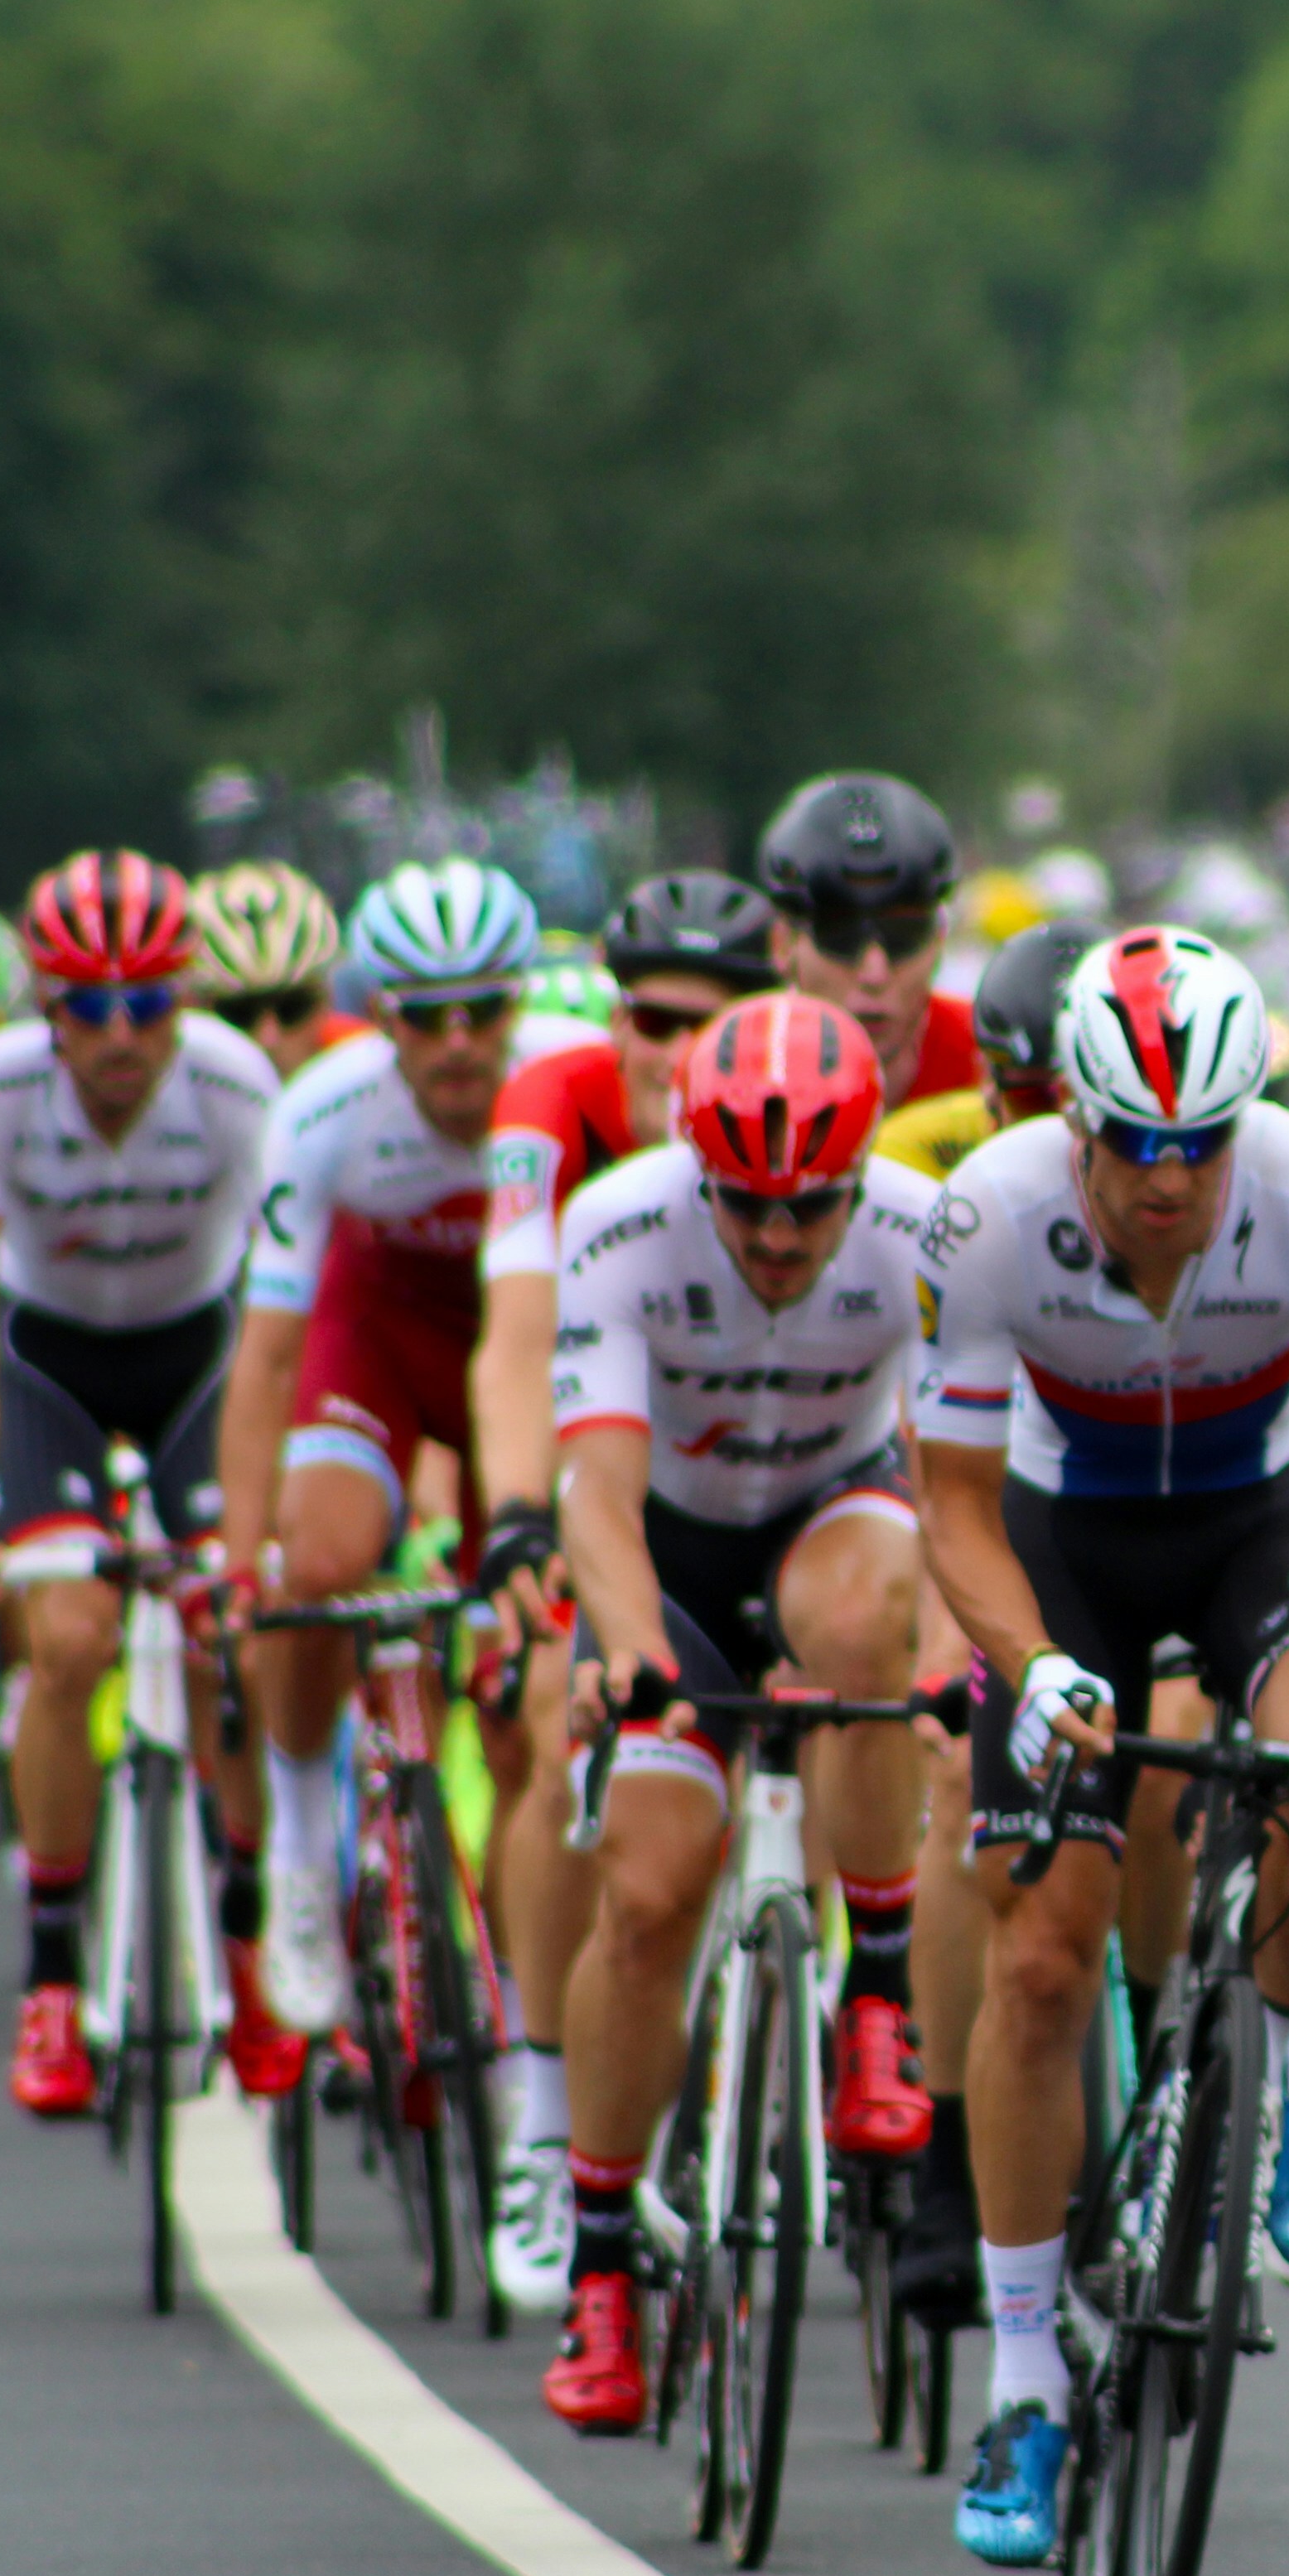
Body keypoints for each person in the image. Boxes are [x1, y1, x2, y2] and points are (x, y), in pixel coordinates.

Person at [910, 926, 1289, 2568]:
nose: (1166, 1176)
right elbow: (952, 1506)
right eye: (1131, 1139)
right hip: (1061, 1543)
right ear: (1071, 1117)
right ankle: (1024, 2378)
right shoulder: (984, 1217)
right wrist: (1032, 1665)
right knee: (1040, 1960)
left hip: (1265, 1514)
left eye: (1199, 1141)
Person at [536, 995, 940, 2430]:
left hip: (844, 1515)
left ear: (862, 1174)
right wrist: (633, 1654)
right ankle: (599, 2264)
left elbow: (957, 1485)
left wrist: (955, 1665)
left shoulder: (921, 1233)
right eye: (747, 1203)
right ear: (694, 1164)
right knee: (647, 1899)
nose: (777, 1236)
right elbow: (595, 1491)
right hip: (674, 1553)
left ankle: (878, 1991)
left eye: (812, 1205)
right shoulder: (621, 1226)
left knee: (867, 1621)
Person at [0, 854, 288, 2115]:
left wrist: (261, 1519)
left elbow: (279, 1312)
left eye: (148, 1004)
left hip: (201, 1362)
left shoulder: (237, 1084)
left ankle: (252, 1953)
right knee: (69, 1643)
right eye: (90, 1006)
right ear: (47, 1007)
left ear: (183, 1003)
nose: (121, 1035)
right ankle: (50, 1978)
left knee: (229, 1635)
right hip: (52, 1367)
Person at [465, 866, 783, 2315]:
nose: (672, 1048)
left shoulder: (819, 1099)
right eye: (650, 1018)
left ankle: (814, 2018)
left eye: (706, 1019)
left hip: (789, 1475)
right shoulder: (554, 1108)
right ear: (615, 1023)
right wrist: (517, 1524)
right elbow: (517, 1340)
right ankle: (546, 2119)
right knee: (552, 1706)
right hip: (605, 1456)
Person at [220, 858, 601, 2037]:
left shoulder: (571, 1077)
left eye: (483, 1009)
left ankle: (527, 2009)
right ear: (380, 1016)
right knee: (315, 1569)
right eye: (426, 1018)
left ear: (520, 1000)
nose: (458, 1043)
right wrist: (242, 1556)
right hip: (377, 1341)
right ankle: (299, 1849)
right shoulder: (322, 1112)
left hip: (523, 1367)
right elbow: (268, 1355)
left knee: (526, 1708)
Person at [870, 905, 1103, 2328]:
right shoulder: (929, 1162)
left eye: (1077, 1101)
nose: (1054, 1132)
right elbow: (922, 1448)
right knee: (961, 1765)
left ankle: (1165, 2072)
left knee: (1170, 1757)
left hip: (1123, 1479)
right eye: (1023, 1097)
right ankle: (951, 2162)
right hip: (969, 1470)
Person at [754, 772, 978, 1109]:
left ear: (938, 941)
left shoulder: (987, 1060)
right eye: (841, 937)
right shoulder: (734, 1064)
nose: (875, 974)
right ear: (782, 946)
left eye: (903, 936)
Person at [875, 914, 1102, 1184]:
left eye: (1092, 1103)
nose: (1067, 1126)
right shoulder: (904, 1152)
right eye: (1037, 1098)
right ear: (989, 1088)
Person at [184, 862, 362, 1082]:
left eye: (293, 1008)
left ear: (327, 1001)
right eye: (238, 1014)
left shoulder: (366, 1056)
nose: (268, 1039)